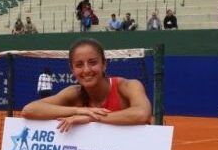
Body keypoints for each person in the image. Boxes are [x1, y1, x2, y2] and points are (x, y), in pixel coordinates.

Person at [22, 38, 152, 132]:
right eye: (79, 65)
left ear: (104, 64)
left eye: (92, 62)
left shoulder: (129, 86)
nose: (86, 70)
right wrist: (79, 111)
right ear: (72, 69)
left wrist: (91, 118)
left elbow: (141, 114)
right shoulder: (74, 93)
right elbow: (29, 110)